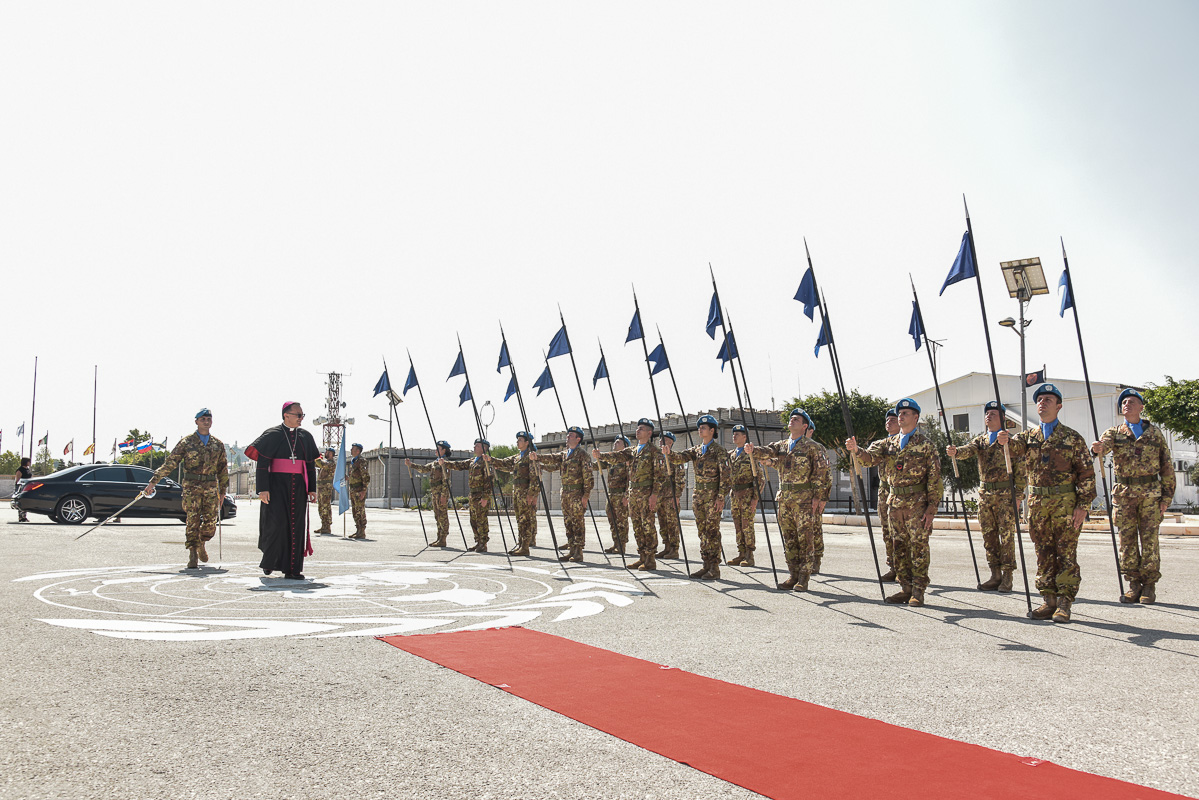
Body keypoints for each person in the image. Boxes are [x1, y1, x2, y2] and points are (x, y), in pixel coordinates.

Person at [999, 384, 1096, 623]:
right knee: (1043, 552)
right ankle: (1048, 600)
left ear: (1059, 406)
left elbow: (1086, 473)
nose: (1043, 402)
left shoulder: (1072, 437)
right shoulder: (1029, 437)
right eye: (1039, 399)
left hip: (1065, 503)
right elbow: (1011, 448)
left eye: (1048, 399)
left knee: (1065, 552)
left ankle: (1064, 602)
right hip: (1038, 503)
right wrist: (1003, 438)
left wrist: (1083, 505)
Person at [847, 399, 941, 606]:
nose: (901, 416)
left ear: (916, 417)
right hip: (895, 502)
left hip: (917, 503)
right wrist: (856, 450)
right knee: (899, 546)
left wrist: (932, 508)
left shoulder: (926, 445)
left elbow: (935, 478)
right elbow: (869, 459)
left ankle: (918, 590)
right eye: (900, 413)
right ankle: (905, 588)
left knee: (919, 547)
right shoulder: (888, 443)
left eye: (906, 413)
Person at [1091, 388, 1173, 605]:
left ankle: (1149, 585)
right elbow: (1102, 448)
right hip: (1124, 495)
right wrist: (1097, 449)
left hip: (1150, 494)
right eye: (1124, 402)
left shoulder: (1154, 433)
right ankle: (1133, 584)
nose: (1127, 404)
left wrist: (1166, 498)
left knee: (1149, 540)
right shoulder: (1114, 432)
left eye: (1132, 401)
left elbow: (1166, 466)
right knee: (1126, 540)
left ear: (1141, 407)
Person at [947, 401, 1026, 592]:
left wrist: (1019, 495)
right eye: (987, 413)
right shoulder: (981, 441)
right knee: (989, 536)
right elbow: (968, 450)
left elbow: (1021, 469)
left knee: (1006, 537)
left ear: (1003, 419)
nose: (989, 416)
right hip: (986, 495)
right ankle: (995, 574)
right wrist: (956, 452)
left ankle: (1007, 576)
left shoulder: (1011, 441)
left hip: (1005, 494)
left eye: (994, 413)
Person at [748, 408, 829, 591]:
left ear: (804, 426)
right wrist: (753, 450)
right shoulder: (782, 445)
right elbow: (768, 451)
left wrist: (818, 497)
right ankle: (792, 575)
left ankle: (803, 578)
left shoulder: (813, 447)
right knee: (789, 539)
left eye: (796, 419)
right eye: (791, 418)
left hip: (804, 500)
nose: (792, 421)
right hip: (785, 500)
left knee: (805, 539)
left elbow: (821, 474)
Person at [145, 409, 229, 570]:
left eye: (208, 419)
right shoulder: (187, 442)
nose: (206, 421)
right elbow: (170, 463)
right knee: (192, 520)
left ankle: (202, 542)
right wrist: (153, 482)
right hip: (192, 486)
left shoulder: (217, 444)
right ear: (196, 421)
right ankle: (192, 553)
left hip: (211, 487)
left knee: (211, 522)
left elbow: (222, 469)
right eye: (203, 419)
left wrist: (223, 491)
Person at [248, 402, 319, 580]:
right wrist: (262, 489)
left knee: (296, 526)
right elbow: (263, 464)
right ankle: (269, 563)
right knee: (275, 525)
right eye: (298, 415)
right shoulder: (272, 434)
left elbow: (310, 465)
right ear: (286, 415)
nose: (301, 418)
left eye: (302, 415)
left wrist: (312, 489)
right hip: (276, 486)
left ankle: (292, 569)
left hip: (298, 487)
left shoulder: (306, 436)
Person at [594, 418, 666, 570]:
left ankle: (650, 559)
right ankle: (642, 557)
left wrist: (654, 495)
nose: (637, 431)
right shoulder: (633, 451)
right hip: (634, 494)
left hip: (647, 494)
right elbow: (617, 456)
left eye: (641, 429)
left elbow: (660, 475)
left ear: (649, 433)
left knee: (648, 526)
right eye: (637, 428)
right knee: (638, 527)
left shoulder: (654, 451)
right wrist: (601, 456)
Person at [668, 415, 731, 579]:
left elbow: (726, 475)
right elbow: (680, 457)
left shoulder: (719, 451)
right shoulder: (696, 450)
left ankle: (714, 567)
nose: (700, 429)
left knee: (712, 531)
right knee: (702, 532)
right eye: (699, 427)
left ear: (712, 430)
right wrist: (669, 452)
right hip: (699, 496)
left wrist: (721, 496)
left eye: (704, 427)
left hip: (712, 496)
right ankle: (705, 565)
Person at [531, 426, 594, 562]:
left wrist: (586, 496)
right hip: (565, 493)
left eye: (570, 435)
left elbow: (589, 477)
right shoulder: (564, 454)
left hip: (577, 493)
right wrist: (538, 457)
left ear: (578, 439)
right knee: (568, 522)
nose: (567, 437)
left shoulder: (583, 455)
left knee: (578, 523)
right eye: (567, 435)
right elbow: (552, 458)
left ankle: (578, 551)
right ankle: (571, 549)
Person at [488, 431, 542, 556]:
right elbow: (504, 463)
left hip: (525, 492)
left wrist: (532, 494)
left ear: (527, 443)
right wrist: (491, 460)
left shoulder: (531, 456)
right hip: (517, 492)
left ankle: (525, 546)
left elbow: (535, 477)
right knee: (520, 519)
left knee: (526, 520)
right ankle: (521, 543)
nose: (517, 442)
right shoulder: (517, 457)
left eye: (520, 440)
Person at [443, 439, 494, 552]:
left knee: (481, 520)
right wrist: (446, 463)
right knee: (473, 520)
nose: (474, 447)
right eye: (474, 445)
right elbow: (459, 465)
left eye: (477, 446)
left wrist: (485, 497)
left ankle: (483, 543)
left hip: (481, 494)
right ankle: (478, 541)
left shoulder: (486, 462)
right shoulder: (472, 461)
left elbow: (490, 480)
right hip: (473, 494)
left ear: (484, 448)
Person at [726, 424, 764, 567]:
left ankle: (749, 555)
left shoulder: (750, 454)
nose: (734, 436)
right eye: (733, 433)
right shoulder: (731, 455)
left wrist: (755, 498)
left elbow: (760, 479)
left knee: (747, 525)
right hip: (735, 494)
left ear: (745, 437)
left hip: (747, 494)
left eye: (738, 434)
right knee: (738, 525)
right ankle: (741, 553)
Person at [407, 442, 453, 547]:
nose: (436, 450)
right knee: (437, 516)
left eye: (438, 449)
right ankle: (439, 537)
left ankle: (443, 538)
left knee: (442, 516)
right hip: (435, 493)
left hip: (441, 494)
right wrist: (411, 465)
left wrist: (444, 495)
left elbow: (446, 481)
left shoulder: (445, 463)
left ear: (444, 450)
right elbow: (423, 469)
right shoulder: (435, 463)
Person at [596, 435, 632, 555]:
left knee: (621, 522)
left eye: (618, 442)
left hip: (621, 494)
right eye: (615, 442)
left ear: (625, 446)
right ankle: (616, 543)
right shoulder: (611, 461)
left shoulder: (627, 460)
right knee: (612, 521)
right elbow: (597, 465)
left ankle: (622, 545)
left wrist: (627, 496)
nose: (615, 444)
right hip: (611, 494)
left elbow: (630, 479)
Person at [877, 409, 900, 581]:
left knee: (900, 533)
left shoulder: (905, 443)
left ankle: (903, 568)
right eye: (887, 420)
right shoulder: (882, 444)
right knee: (887, 532)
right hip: (884, 491)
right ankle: (892, 566)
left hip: (900, 492)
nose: (889, 422)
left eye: (893, 419)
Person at [805, 419, 829, 573]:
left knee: (815, 529)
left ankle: (816, 559)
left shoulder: (818, 448)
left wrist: (823, 498)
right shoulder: (792, 447)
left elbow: (826, 475)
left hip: (814, 495)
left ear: (810, 431)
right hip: (799, 497)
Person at [657, 431, 686, 559]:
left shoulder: (675, 458)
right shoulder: (658, 458)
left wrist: (677, 496)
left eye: (664, 439)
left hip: (671, 497)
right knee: (662, 523)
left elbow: (680, 479)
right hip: (659, 497)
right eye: (660, 439)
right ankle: (666, 547)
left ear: (671, 442)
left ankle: (674, 549)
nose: (660, 441)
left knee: (672, 523)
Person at [346, 443, 370, 539]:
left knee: (360, 510)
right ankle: (358, 530)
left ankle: (362, 531)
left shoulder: (361, 461)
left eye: (353, 449)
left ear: (358, 451)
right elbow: (356, 475)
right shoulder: (354, 461)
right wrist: (348, 478)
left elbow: (365, 476)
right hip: (353, 489)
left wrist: (364, 490)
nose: (351, 450)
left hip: (359, 489)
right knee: (355, 511)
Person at [314, 447, 336, 534]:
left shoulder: (331, 463)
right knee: (321, 506)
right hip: (321, 487)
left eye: (326, 452)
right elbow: (316, 464)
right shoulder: (327, 462)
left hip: (326, 488)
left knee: (325, 506)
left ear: (330, 454)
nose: (325, 454)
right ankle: (324, 525)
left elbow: (320, 463)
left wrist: (317, 457)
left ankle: (327, 526)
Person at [14, 458, 32, 522]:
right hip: (22, 488)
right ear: (25, 462)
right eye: (28, 462)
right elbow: (18, 481)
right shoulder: (20, 470)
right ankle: (20, 517)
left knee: (26, 502)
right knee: (21, 502)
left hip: (28, 487)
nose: (30, 463)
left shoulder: (27, 469)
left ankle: (24, 517)